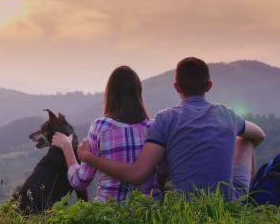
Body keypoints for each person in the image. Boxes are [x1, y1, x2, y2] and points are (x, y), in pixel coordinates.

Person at [77, 57, 266, 200]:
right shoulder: (227, 115)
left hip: (181, 205)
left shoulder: (165, 119)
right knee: (246, 140)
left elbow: (138, 174)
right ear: (209, 86)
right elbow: (259, 135)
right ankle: (249, 208)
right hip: (226, 204)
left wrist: (88, 157)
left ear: (176, 87)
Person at [51, 66, 161, 202]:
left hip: (108, 215)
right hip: (149, 213)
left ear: (110, 94)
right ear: (138, 93)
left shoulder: (101, 127)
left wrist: (67, 147)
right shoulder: (154, 127)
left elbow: (80, 181)